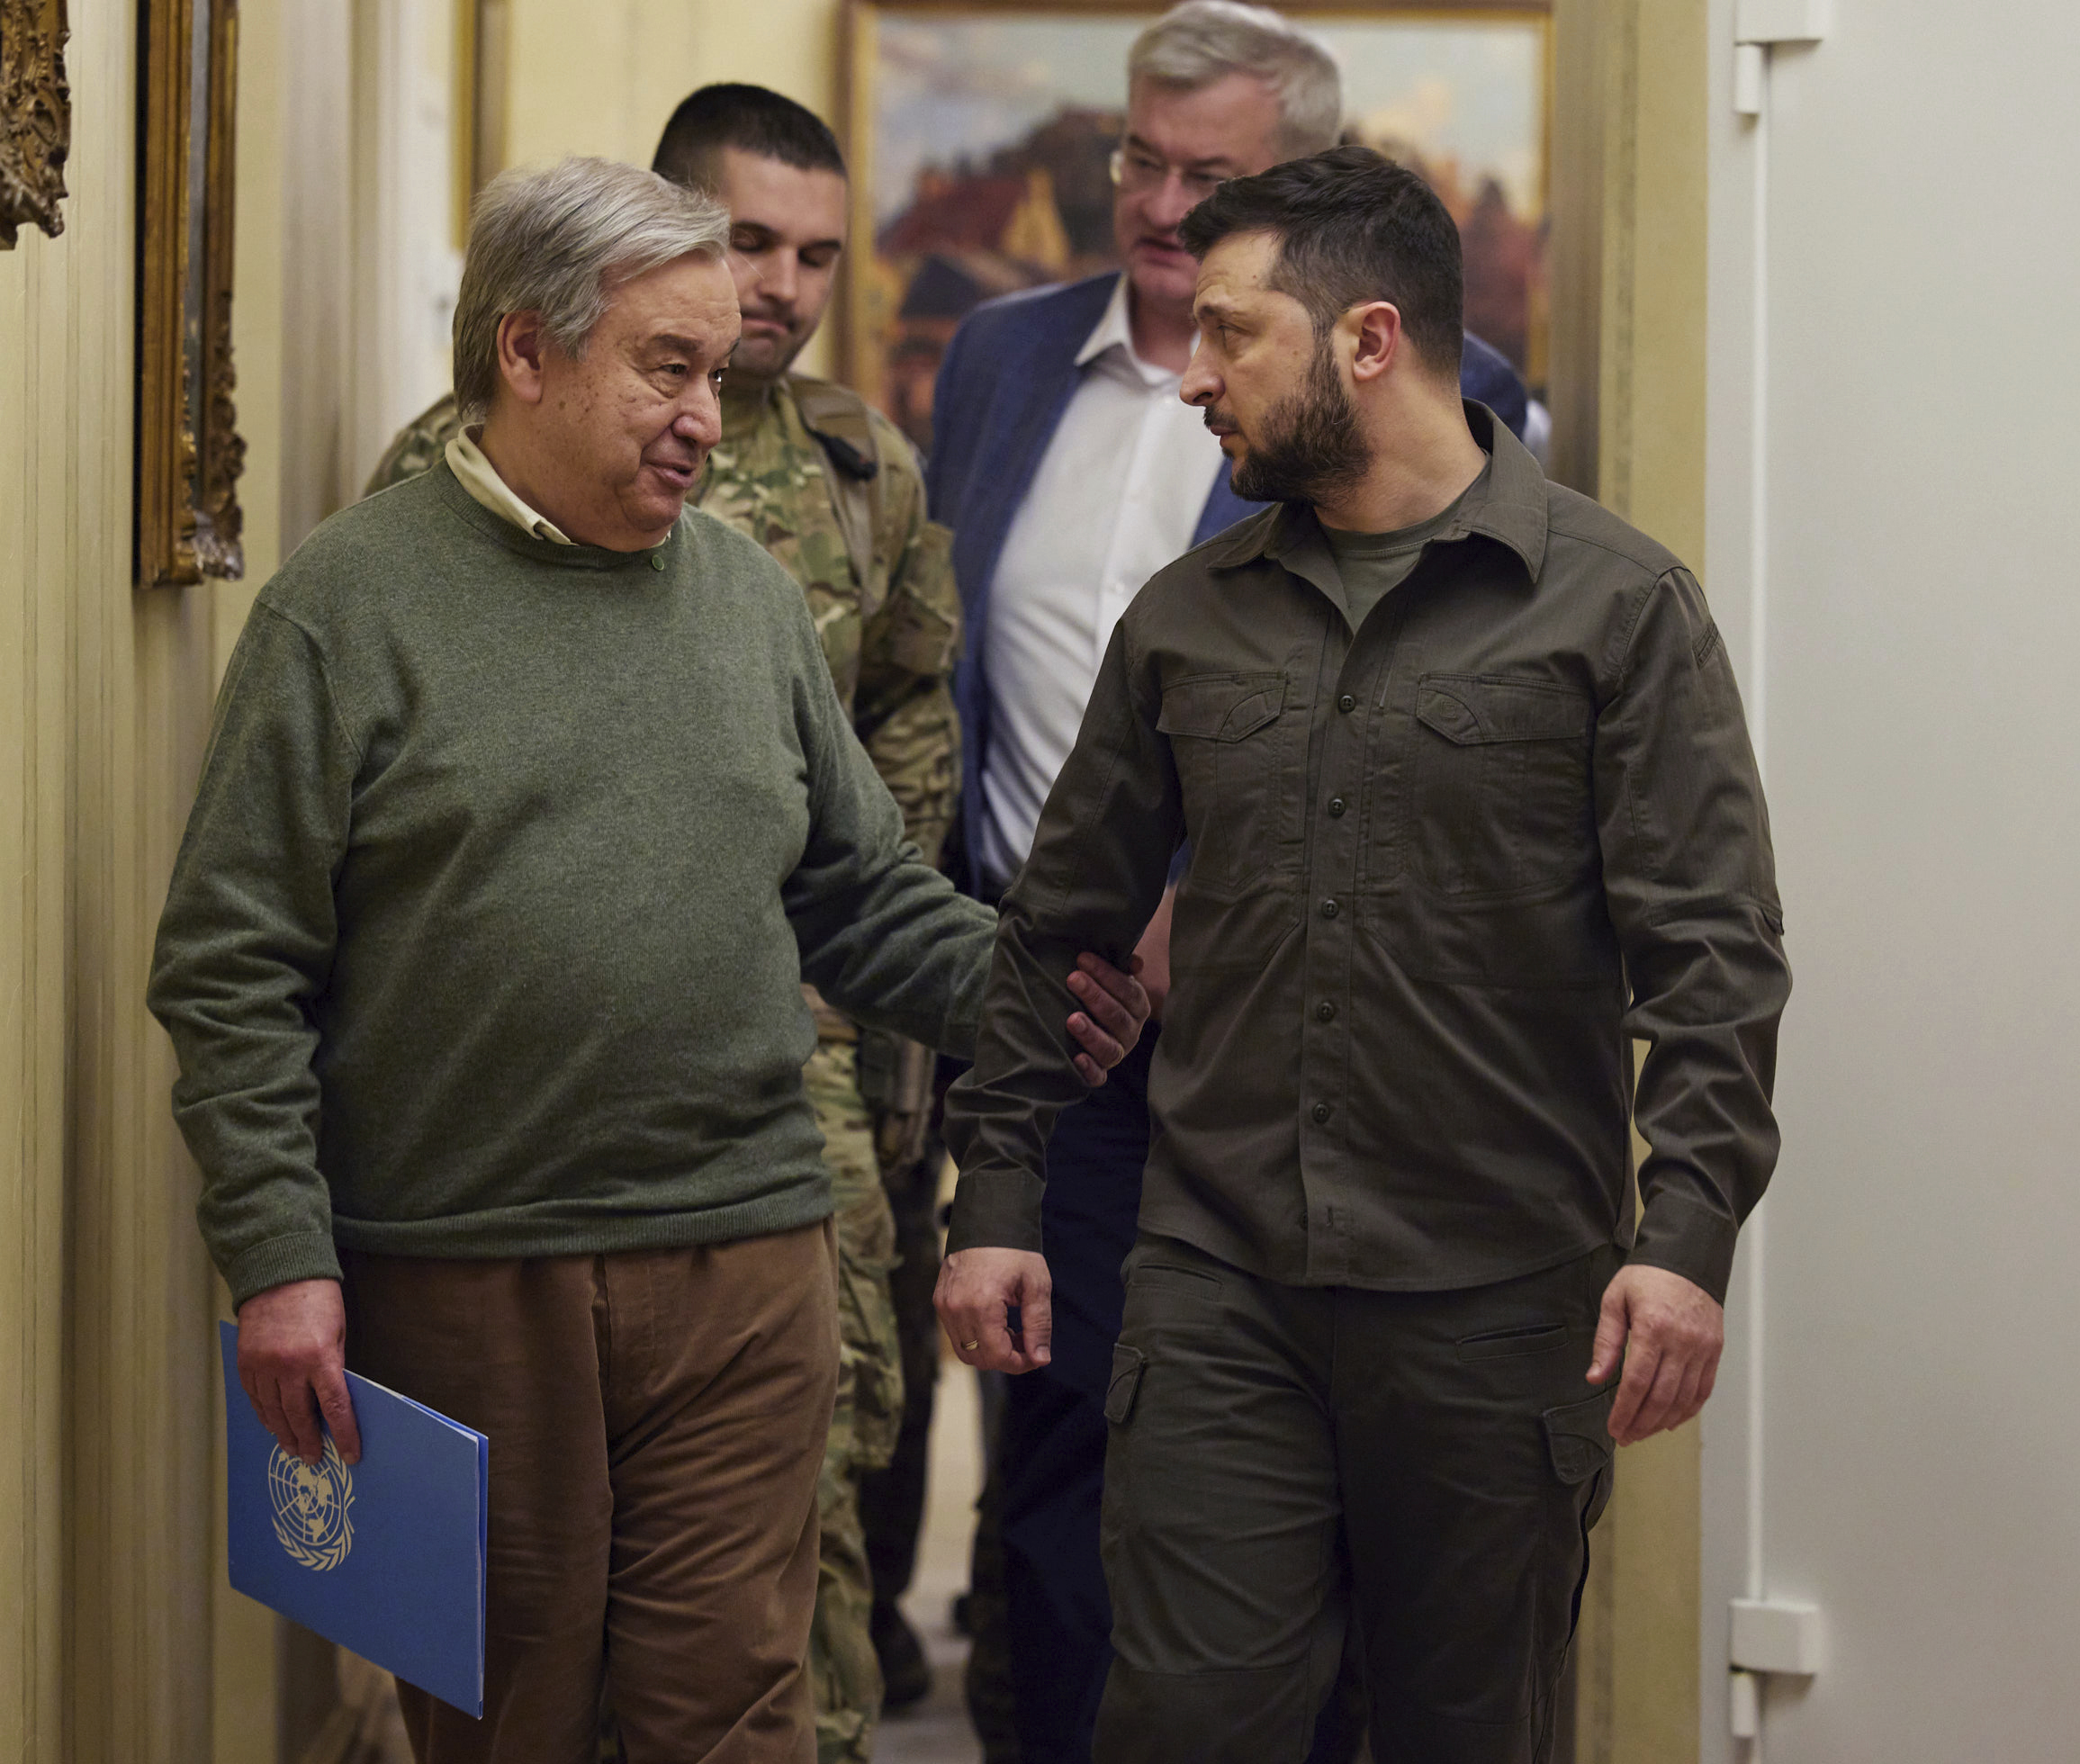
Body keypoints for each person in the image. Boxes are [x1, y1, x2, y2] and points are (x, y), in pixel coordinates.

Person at [149, 156, 1148, 1764]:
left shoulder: (746, 602)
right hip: (467, 1272)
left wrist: (1057, 993)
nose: (704, 419)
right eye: (665, 369)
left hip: (746, 1256)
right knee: (513, 1723)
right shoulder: (345, 607)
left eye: (719, 376)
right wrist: (279, 1256)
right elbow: (230, 965)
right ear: (525, 353)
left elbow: (859, 899)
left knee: (732, 1713)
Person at [937, 144, 1788, 1764]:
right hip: (1220, 1290)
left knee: (1464, 1732)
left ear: (1369, 341)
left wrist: (1685, 1237)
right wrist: (997, 1200)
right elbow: (1058, 925)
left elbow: (1715, 955)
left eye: (1231, 334)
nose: (1195, 378)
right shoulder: (1185, 621)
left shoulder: (1617, 610)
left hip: (1499, 1308)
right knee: (1186, 1724)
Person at [920, 6, 1530, 1756]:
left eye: (1213, 172)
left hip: (1283, 1028)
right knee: (1059, 1464)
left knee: (1281, 1488)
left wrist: (1207, 895)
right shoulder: (1001, 357)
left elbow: (1419, 709)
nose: (1161, 202)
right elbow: (947, 670)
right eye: (1141, 155)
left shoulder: (1449, 396)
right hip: (1054, 1009)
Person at [366, 86, 958, 1762]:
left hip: (772, 1119)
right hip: (489, 1195)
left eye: (815, 258)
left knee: (774, 1578)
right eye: (747, 247)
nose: (780, 291)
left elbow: (887, 790)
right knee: (515, 1660)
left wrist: (978, 1005)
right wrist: (298, 1247)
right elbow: (269, 937)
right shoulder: (405, 543)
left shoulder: (839, 484)